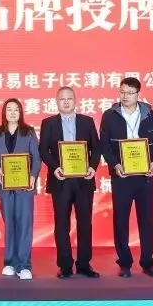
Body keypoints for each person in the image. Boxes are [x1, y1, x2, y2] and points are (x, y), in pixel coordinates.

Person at [99, 77, 153, 278]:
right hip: (121, 175)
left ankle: (147, 262)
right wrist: (115, 165)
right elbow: (104, 144)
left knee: (146, 219)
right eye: (122, 92)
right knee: (121, 219)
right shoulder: (110, 115)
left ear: (138, 94)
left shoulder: (149, 115)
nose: (125, 96)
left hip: (144, 175)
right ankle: (125, 263)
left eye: (130, 93)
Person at [39, 86, 101, 279]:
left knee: (85, 223)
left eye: (69, 99)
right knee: (62, 224)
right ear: (57, 102)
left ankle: (84, 264)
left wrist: (92, 167)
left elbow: (96, 147)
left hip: (83, 180)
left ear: (75, 101)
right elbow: (43, 150)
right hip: (61, 180)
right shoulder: (48, 123)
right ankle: (65, 265)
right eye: (62, 99)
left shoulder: (87, 121)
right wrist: (55, 168)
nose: (66, 102)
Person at [0, 98, 41, 280]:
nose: (12, 113)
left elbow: (36, 157)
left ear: (21, 113)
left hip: (25, 186)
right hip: (4, 186)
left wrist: (33, 175)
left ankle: (24, 265)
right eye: (9, 109)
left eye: (16, 109)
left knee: (25, 224)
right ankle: (10, 262)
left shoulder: (29, 132)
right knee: (9, 224)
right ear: (4, 112)